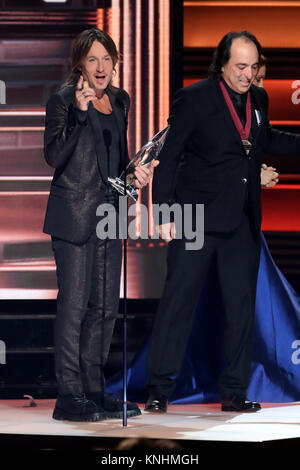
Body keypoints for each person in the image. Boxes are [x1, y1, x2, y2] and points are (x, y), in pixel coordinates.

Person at [144, 31, 300, 414]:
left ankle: (234, 391)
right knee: (179, 302)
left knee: (241, 307)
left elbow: (261, 140)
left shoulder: (259, 99)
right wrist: (161, 212)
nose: (249, 75)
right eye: (241, 67)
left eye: (254, 67)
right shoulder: (194, 98)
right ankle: (159, 388)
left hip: (242, 219)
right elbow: (169, 154)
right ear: (223, 64)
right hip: (195, 217)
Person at [43, 28, 157, 422]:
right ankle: (68, 396)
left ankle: (94, 389)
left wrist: (135, 179)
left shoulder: (120, 100)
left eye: (107, 58)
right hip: (73, 216)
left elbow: (119, 161)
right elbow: (53, 156)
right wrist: (77, 113)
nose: (101, 67)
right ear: (79, 63)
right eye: (92, 59)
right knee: (74, 308)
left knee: (105, 308)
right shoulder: (62, 100)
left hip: (111, 216)